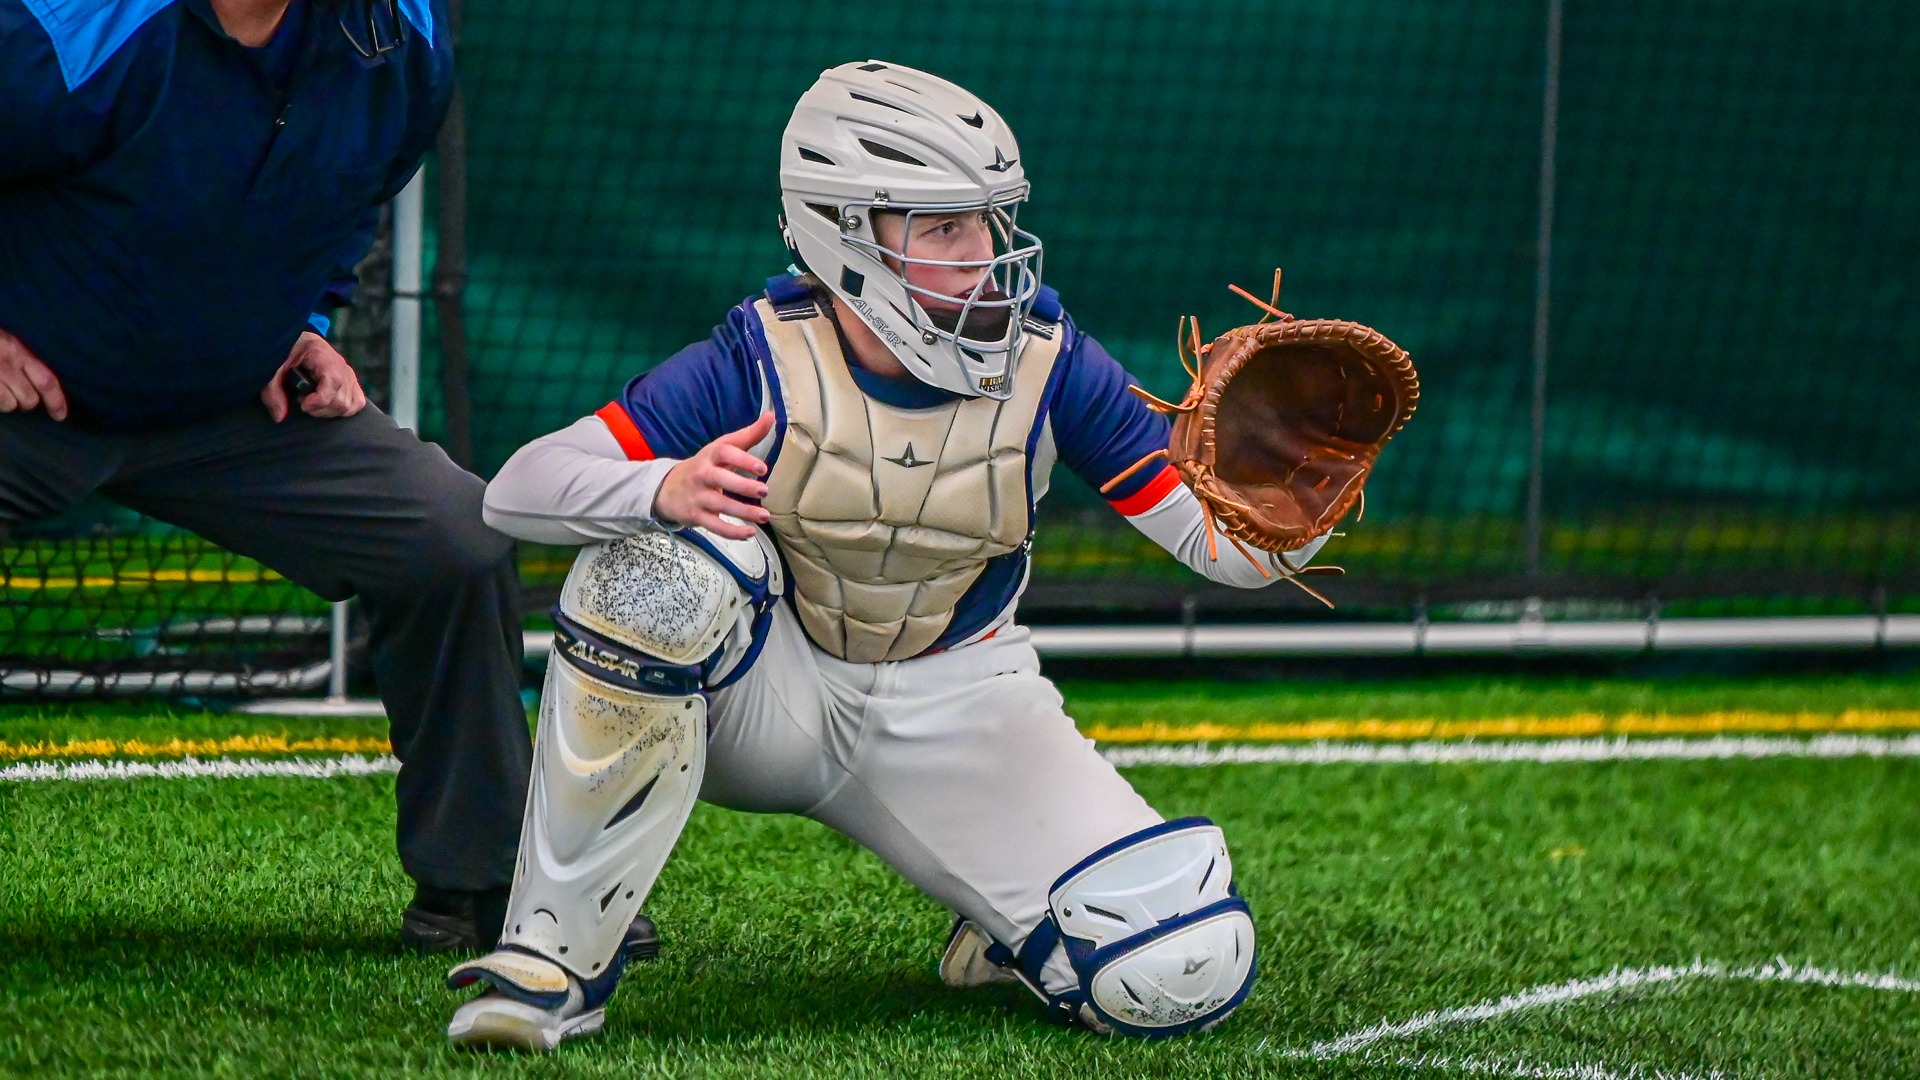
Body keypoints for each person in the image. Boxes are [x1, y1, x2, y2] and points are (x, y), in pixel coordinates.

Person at [450, 60, 1331, 1049]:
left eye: (993, 218)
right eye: (946, 224)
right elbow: (518, 487)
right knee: (647, 576)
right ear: (846, 232)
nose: (989, 250)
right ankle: (551, 960)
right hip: (766, 696)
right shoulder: (759, 355)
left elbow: (1225, 555)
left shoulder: (1051, 359)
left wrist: (1296, 496)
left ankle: (1004, 924)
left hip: (965, 699)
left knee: (1175, 968)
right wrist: (662, 487)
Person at [0, 0, 562, 952]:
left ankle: (484, 888)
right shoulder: (71, 27)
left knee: (455, 538)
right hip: (31, 406)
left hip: (234, 413)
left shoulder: (401, 37)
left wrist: (308, 320)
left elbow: (354, 193)